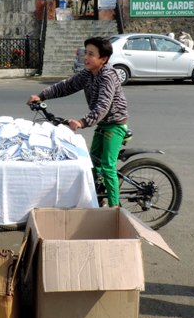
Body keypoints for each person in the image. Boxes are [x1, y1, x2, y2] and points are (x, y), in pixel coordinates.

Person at [27, 36, 128, 206]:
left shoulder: (108, 76)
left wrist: (82, 122)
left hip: (114, 124)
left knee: (108, 166)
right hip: (102, 124)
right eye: (86, 53)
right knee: (92, 164)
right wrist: (41, 96)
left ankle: (115, 209)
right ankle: (97, 199)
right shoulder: (88, 74)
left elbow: (103, 106)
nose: (86, 57)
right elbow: (66, 86)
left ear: (103, 59)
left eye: (91, 54)